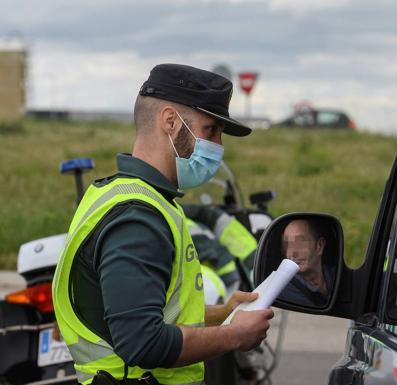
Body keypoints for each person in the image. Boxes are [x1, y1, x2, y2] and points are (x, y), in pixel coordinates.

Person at [52, 64, 273, 385]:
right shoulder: (138, 216)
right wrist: (234, 337)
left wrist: (224, 314)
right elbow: (142, 342)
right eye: (211, 130)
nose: (218, 146)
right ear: (170, 121)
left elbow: (148, 314)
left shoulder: (122, 193)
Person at [278, 219, 334, 307]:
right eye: (287, 244)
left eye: (300, 243)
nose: (292, 253)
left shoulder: (338, 276)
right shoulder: (282, 292)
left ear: (320, 245)